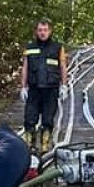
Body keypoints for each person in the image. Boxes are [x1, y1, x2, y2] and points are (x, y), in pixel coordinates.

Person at [20, 18, 68, 152]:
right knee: (30, 119)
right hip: (34, 89)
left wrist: (64, 85)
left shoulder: (58, 47)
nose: (42, 33)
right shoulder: (29, 48)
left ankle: (45, 145)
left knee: (48, 119)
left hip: (50, 89)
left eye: (45, 30)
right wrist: (23, 87)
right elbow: (25, 67)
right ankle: (28, 145)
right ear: (36, 31)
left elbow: (63, 66)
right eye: (40, 30)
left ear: (50, 31)